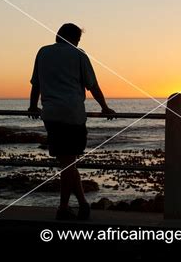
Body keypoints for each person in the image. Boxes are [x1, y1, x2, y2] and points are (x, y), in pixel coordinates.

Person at [28, 23, 116, 220]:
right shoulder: (79, 55)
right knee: (69, 162)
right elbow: (92, 86)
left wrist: (33, 105)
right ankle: (63, 208)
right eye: (78, 39)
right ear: (75, 39)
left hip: (50, 115)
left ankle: (82, 205)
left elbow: (37, 84)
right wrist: (104, 107)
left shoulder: (43, 52)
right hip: (73, 115)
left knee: (67, 162)